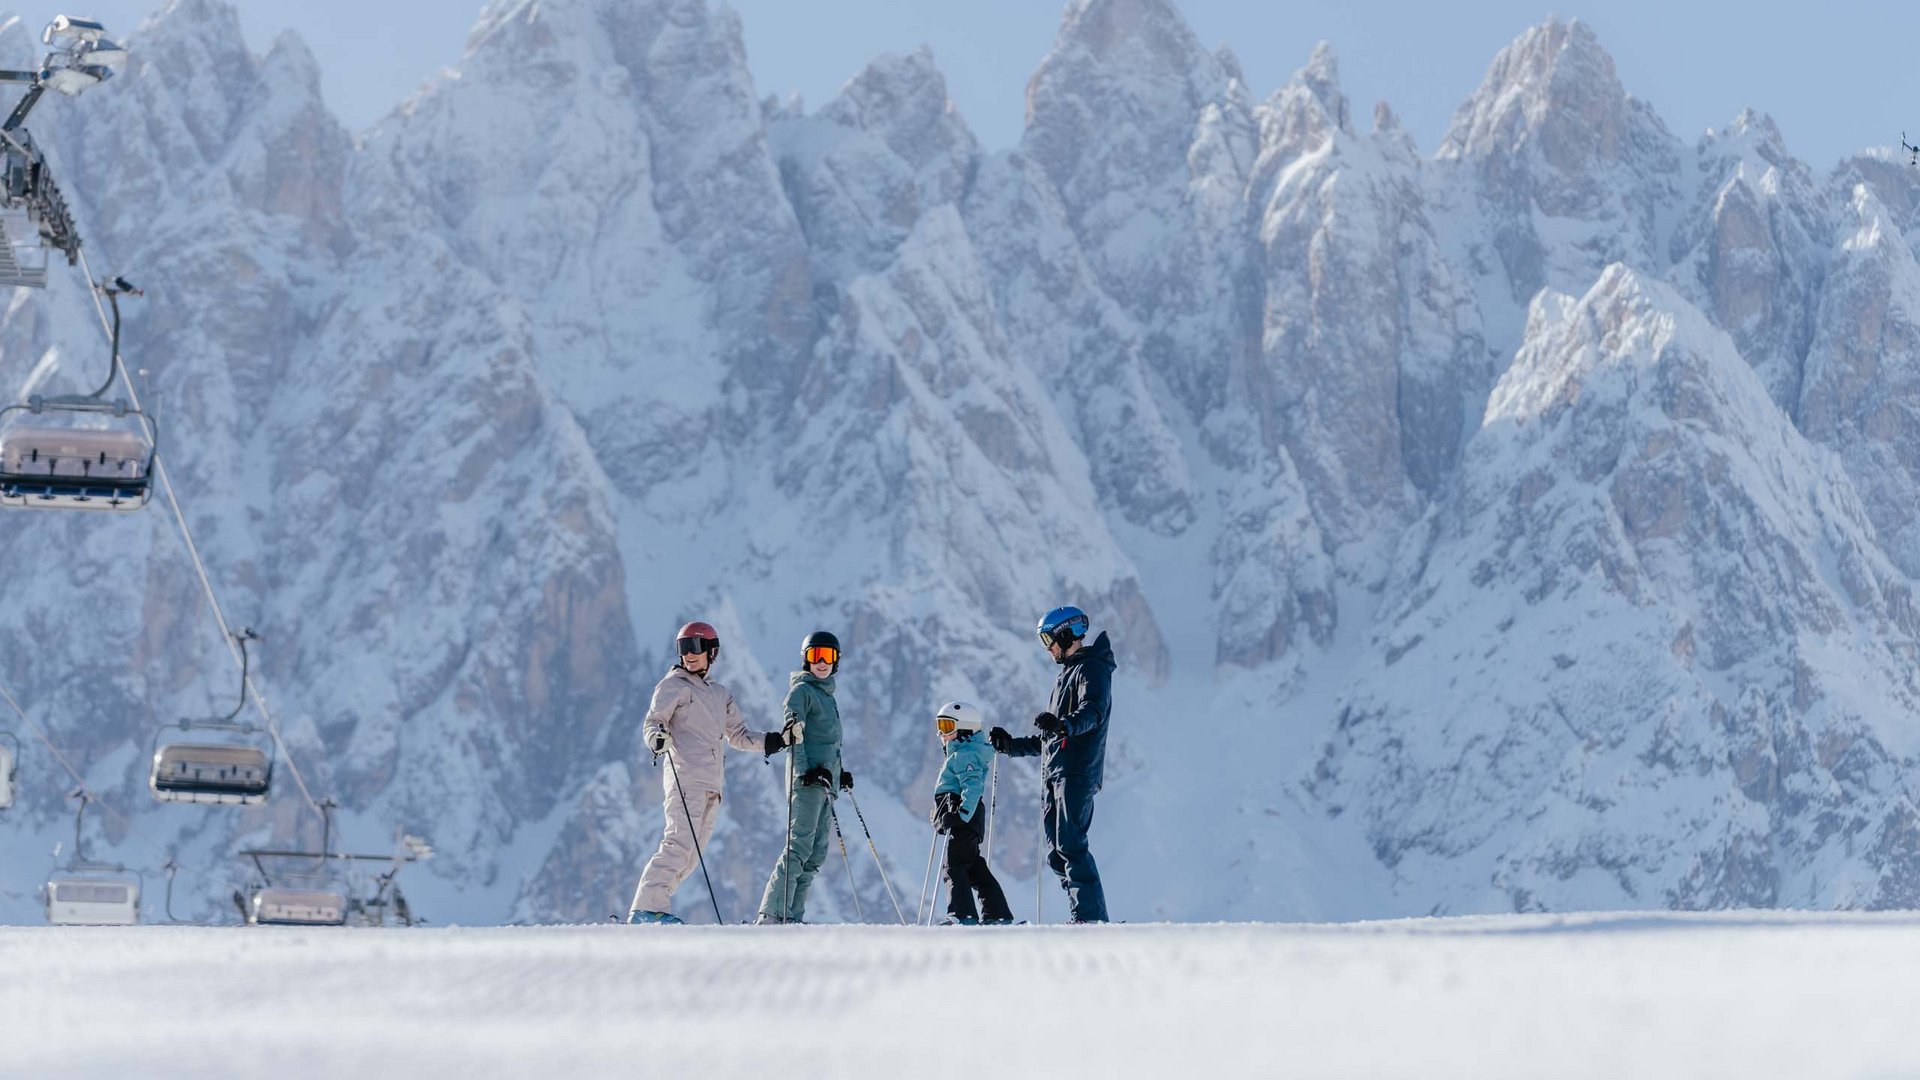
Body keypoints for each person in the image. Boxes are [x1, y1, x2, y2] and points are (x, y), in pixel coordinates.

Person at [628, 621, 796, 924]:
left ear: (711, 652)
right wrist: (657, 739)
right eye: (683, 649)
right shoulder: (673, 685)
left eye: (695, 648)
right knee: (678, 842)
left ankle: (654, 907)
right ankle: (646, 910)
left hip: (712, 786)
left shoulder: (720, 695)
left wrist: (776, 740)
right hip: (685, 778)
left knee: (692, 854)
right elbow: (654, 722)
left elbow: (740, 735)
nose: (689, 656)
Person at [990, 605, 1114, 923]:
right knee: (1056, 852)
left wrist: (1063, 726)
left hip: (1077, 770)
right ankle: (1082, 914)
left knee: (1071, 843)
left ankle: (1090, 917)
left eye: (1048, 639)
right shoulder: (1066, 676)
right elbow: (1049, 738)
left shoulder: (1091, 669)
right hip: (1055, 773)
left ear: (1065, 633)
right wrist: (1011, 746)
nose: (1047, 649)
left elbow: (1092, 711)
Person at [756, 630, 853, 924]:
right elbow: (793, 735)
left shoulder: (826, 695)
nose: (821, 663)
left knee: (816, 854)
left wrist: (839, 774)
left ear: (836, 661)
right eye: (815, 656)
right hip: (807, 782)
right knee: (798, 847)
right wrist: (806, 771)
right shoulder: (801, 693)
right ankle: (773, 913)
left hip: (825, 784)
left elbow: (829, 742)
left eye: (828, 656)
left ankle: (792, 915)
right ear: (805, 659)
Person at [931, 701, 1014, 925]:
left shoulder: (964, 755)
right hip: (966, 816)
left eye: (947, 726)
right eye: (940, 726)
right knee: (973, 866)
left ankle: (962, 914)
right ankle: (997, 913)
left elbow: (973, 785)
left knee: (954, 864)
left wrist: (960, 814)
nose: (941, 733)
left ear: (966, 730)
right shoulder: (961, 753)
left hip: (963, 815)